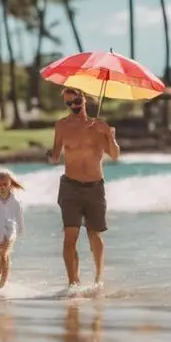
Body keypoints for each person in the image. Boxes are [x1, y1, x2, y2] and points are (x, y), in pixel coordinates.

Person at [47, 87, 120, 288]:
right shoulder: (61, 126)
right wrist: (50, 156)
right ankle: (73, 283)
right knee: (70, 235)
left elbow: (115, 155)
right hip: (70, 187)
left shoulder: (99, 126)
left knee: (95, 234)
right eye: (68, 103)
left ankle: (98, 278)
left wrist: (110, 135)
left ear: (84, 99)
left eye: (76, 101)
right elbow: (55, 155)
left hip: (95, 187)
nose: (73, 106)